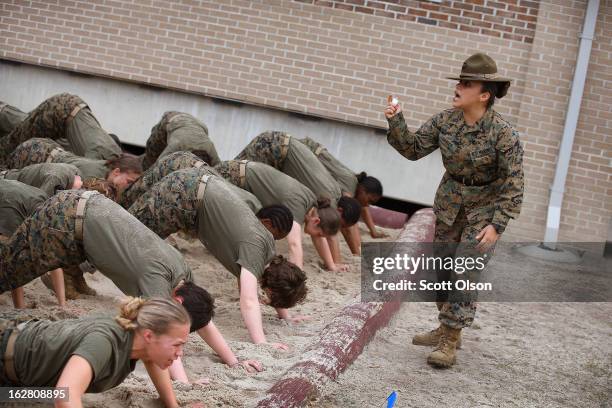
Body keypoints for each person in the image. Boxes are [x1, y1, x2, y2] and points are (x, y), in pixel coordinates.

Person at [0, 188, 261, 377]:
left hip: (84, 215)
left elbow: (204, 320)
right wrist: (184, 383)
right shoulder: (159, 282)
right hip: (66, 219)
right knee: (7, 271)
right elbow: (161, 334)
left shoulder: (183, 277)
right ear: (176, 301)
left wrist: (234, 362)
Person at [384, 53, 524, 368]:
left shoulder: (503, 134)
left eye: (466, 83)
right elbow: (413, 149)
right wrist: (396, 119)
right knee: (443, 273)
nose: (458, 87)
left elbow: (514, 183)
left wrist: (497, 225)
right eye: (459, 81)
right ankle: (446, 328)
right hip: (449, 206)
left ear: (484, 94)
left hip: (484, 212)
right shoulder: (446, 120)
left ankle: (449, 342)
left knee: (464, 274)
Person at [128, 168, 307, 345]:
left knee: (133, 229)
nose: (265, 298)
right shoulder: (256, 252)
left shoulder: (268, 251)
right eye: (269, 296)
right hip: (184, 193)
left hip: (193, 189)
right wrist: (262, 343)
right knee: (130, 233)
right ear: (270, 289)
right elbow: (249, 300)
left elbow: (277, 284)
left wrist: (286, 317)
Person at [0, 297, 191, 408]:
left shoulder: (138, 336)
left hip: (22, 376)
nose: (179, 353)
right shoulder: (104, 341)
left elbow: (152, 360)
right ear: (149, 335)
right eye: (176, 345)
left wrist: (173, 406)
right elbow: (65, 394)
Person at [235, 131, 362, 270]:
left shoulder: (328, 197)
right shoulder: (328, 200)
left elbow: (320, 234)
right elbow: (318, 237)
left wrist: (332, 264)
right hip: (275, 146)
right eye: (340, 224)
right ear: (339, 211)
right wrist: (335, 263)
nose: (337, 227)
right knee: (229, 179)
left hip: (280, 148)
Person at [215, 159, 344, 270]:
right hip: (229, 174)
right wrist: (297, 275)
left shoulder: (311, 203)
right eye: (320, 234)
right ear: (316, 221)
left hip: (241, 170)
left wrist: (331, 265)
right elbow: (294, 244)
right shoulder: (298, 206)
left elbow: (319, 238)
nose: (318, 237)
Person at [298, 136, 387, 253]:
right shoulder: (350, 182)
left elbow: (363, 209)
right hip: (303, 152)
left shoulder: (356, 189)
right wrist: (357, 252)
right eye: (369, 200)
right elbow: (348, 225)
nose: (368, 205)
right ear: (362, 190)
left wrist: (373, 232)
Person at [0, 93, 122, 164]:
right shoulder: (97, 151)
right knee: (17, 131)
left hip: (58, 121)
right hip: (59, 117)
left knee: (21, 125)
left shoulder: (85, 139)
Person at [7, 138, 141, 197]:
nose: (128, 187)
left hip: (43, 152)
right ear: (117, 172)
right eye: (129, 181)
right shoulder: (94, 175)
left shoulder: (104, 174)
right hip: (34, 153)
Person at [141, 111, 221, 170]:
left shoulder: (210, 148)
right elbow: (158, 166)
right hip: (173, 118)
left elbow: (219, 170)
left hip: (199, 125)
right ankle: (140, 168)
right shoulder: (177, 145)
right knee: (152, 152)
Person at [0, 162, 82, 195]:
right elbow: (41, 204)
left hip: (11, 178)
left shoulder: (74, 170)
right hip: (5, 182)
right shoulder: (55, 179)